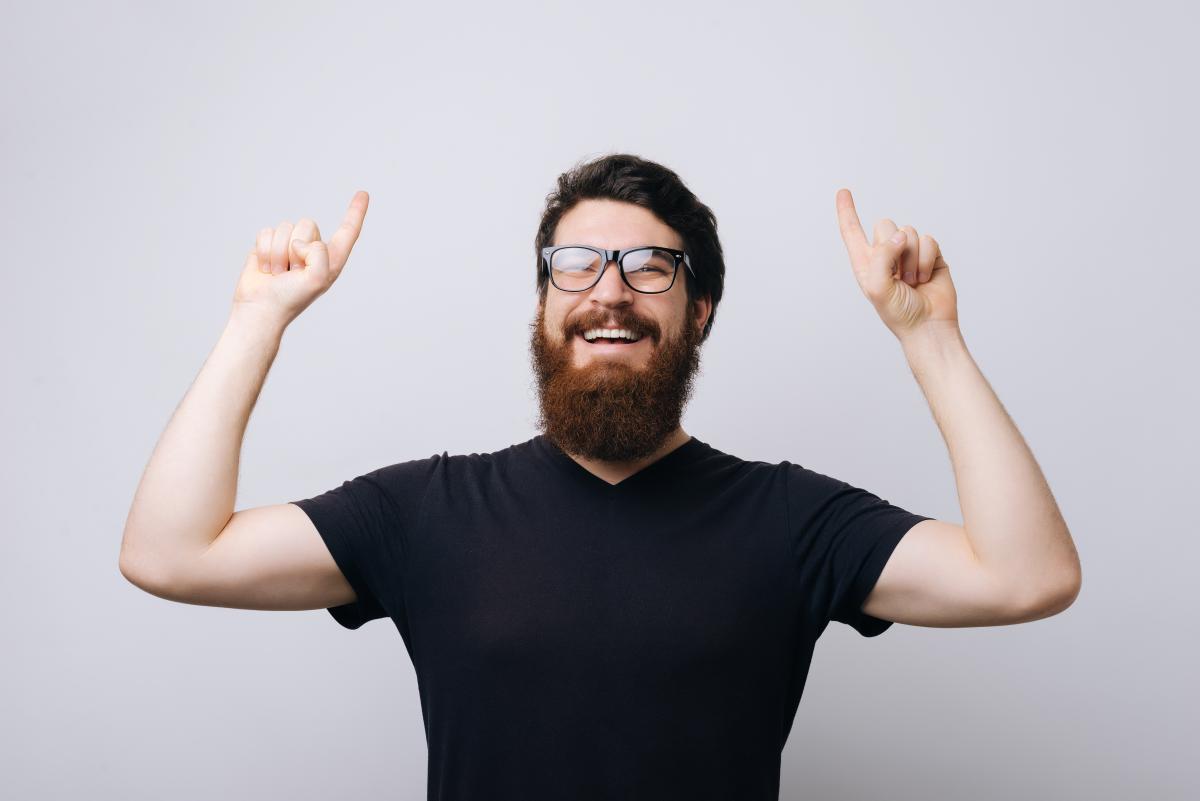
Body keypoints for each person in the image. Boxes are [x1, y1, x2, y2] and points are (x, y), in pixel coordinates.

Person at [119, 153, 1082, 801]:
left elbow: (1027, 575)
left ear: (699, 310)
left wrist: (930, 337)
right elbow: (170, 552)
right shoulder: (427, 513)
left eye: (650, 267)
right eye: (575, 265)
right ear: (544, 303)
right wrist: (257, 319)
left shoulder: (791, 519)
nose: (609, 292)